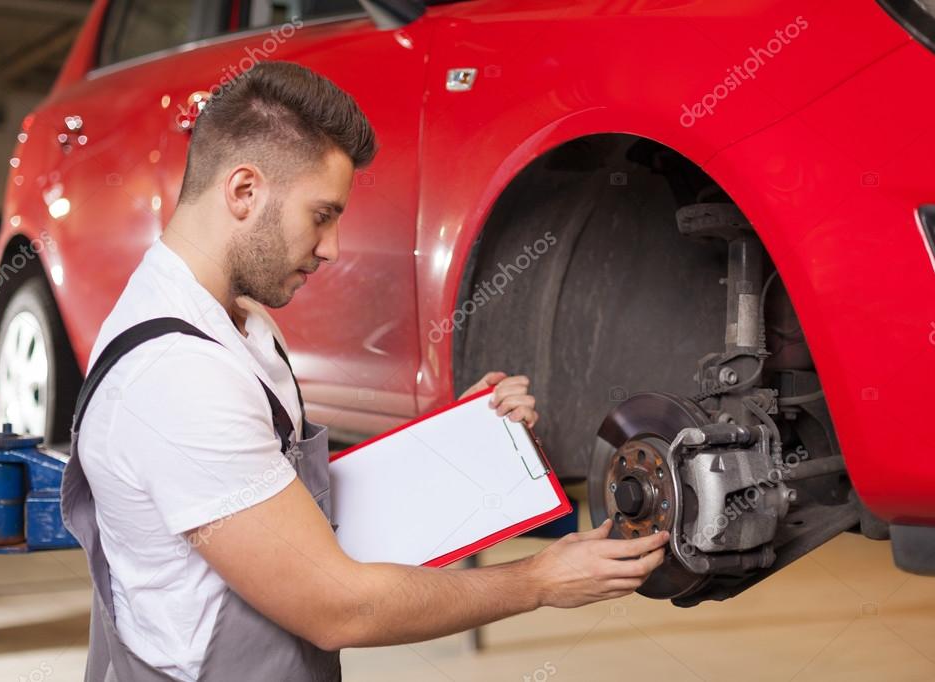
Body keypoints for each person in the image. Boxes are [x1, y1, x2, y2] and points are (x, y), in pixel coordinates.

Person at [62, 61, 669, 682]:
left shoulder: (238, 323)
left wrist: (454, 439)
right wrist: (538, 581)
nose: (332, 247)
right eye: (322, 214)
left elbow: (287, 509)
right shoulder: (176, 375)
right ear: (243, 191)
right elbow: (337, 606)